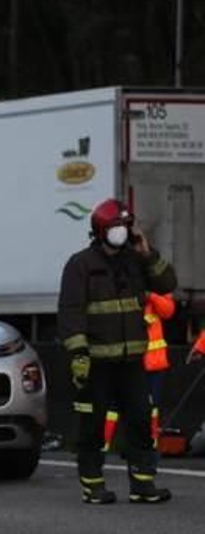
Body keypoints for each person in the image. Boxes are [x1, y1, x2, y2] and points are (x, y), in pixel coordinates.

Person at [58, 199, 176, 504]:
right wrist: (79, 354)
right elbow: (71, 312)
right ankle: (93, 484)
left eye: (125, 226)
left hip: (132, 362)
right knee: (93, 425)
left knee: (141, 420)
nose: (121, 231)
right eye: (116, 226)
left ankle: (143, 484)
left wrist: (147, 253)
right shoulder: (81, 265)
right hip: (96, 362)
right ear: (101, 230)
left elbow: (167, 283)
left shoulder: (135, 260)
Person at [102, 290, 176, 451]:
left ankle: (150, 441)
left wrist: (151, 296)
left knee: (152, 404)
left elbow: (168, 311)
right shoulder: (123, 290)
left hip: (153, 363)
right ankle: (104, 443)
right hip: (130, 361)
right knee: (115, 404)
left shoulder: (156, 288)